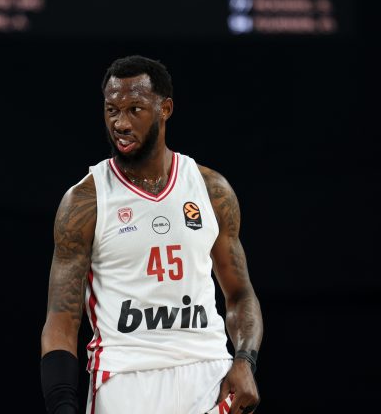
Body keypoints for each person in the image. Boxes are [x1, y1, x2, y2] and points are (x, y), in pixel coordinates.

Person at [40, 55, 263, 414]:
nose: (120, 122)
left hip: (208, 373)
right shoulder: (85, 200)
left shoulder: (211, 189)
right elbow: (61, 320)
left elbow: (240, 294)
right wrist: (61, 403)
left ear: (165, 109)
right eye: (112, 110)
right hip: (126, 378)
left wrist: (245, 360)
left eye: (135, 109)